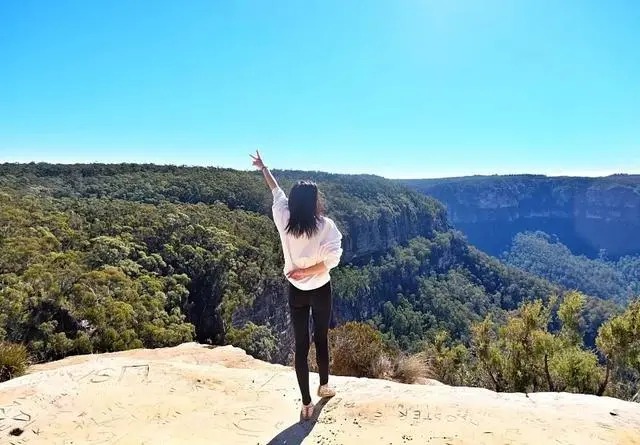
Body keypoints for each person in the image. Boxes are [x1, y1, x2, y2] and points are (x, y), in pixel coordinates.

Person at [251, 150, 343, 420]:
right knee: (321, 338)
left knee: (301, 346)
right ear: (315, 202)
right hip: (320, 288)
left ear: (294, 202)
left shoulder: (283, 219)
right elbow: (333, 259)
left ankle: (305, 403)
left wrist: (263, 168)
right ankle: (324, 386)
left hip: (296, 291)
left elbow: (275, 191)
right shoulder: (325, 226)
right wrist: (309, 271)